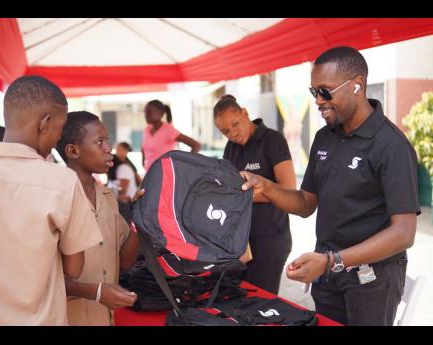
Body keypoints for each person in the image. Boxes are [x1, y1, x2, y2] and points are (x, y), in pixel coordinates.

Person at [240, 46, 420, 326]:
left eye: (325, 91)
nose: (318, 101)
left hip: (371, 279)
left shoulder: (391, 146)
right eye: (314, 92)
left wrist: (332, 260)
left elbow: (404, 233)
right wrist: (267, 187)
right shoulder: (324, 137)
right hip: (328, 272)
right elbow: (305, 203)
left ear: (357, 85)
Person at [0, 76, 103, 325]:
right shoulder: (62, 181)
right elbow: (74, 268)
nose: (58, 138)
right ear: (45, 123)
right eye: (60, 127)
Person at [56, 111, 141, 325]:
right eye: (99, 142)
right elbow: (44, 279)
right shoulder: (56, 198)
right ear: (73, 150)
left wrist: (140, 217)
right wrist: (96, 292)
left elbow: (124, 261)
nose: (108, 148)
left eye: (107, 140)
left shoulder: (107, 197)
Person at [213, 95, 296, 294]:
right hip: (241, 240)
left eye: (235, 124)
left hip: (270, 237)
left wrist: (245, 195)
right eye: (225, 131)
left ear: (245, 113)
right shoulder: (231, 147)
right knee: (239, 299)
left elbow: (289, 188)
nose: (233, 133)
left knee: (262, 302)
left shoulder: (272, 140)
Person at [141, 99, 201, 172]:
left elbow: (196, 145)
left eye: (149, 112)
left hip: (165, 174)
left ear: (159, 112)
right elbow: (143, 146)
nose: (146, 115)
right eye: (145, 112)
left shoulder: (168, 130)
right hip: (149, 173)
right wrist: (143, 162)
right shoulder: (147, 129)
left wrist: (184, 164)